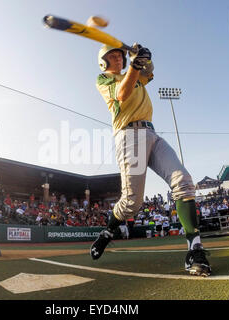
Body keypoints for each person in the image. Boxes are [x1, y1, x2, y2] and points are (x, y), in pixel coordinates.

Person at [91, 43, 211, 276]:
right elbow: (122, 94)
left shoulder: (133, 76)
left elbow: (148, 70)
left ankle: (194, 248)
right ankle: (108, 231)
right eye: (113, 56)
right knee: (131, 204)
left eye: (120, 56)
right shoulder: (104, 79)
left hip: (151, 133)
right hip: (128, 136)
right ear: (104, 62)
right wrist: (136, 63)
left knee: (183, 180)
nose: (118, 59)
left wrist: (142, 55)